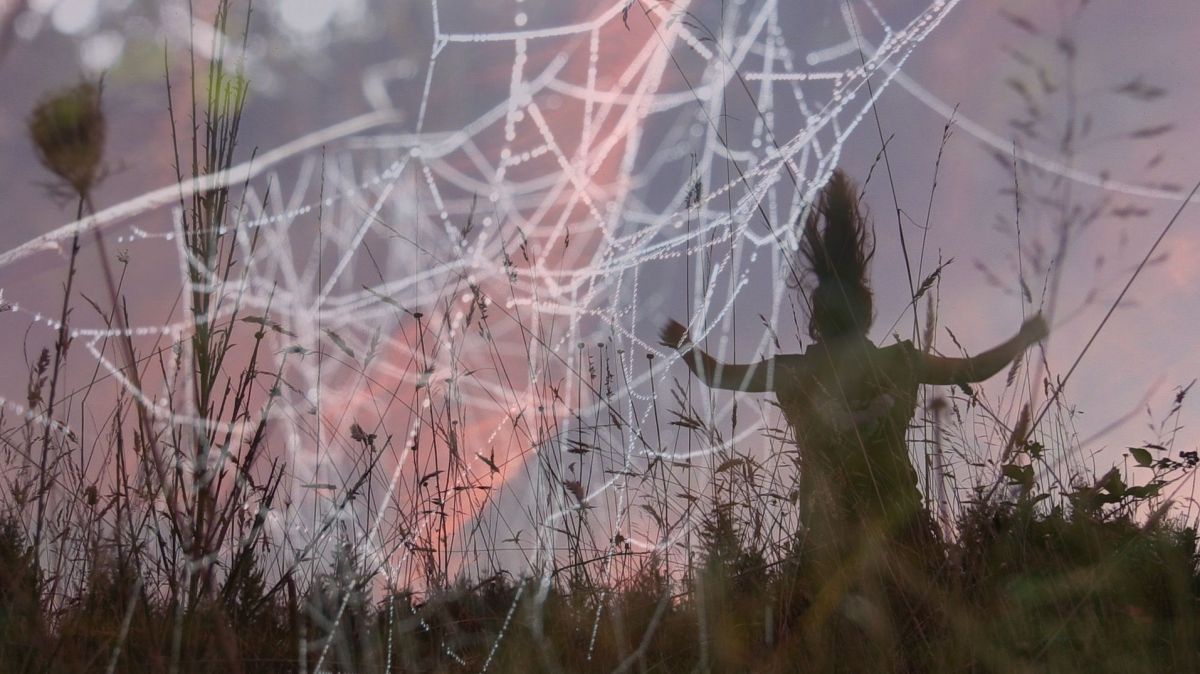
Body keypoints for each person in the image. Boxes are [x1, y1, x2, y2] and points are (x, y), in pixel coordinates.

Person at [659, 169, 1048, 560]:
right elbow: (973, 369)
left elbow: (717, 376)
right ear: (865, 315)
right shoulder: (899, 363)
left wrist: (684, 345)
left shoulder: (799, 371)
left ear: (818, 322)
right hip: (898, 537)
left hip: (832, 547)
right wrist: (1021, 339)